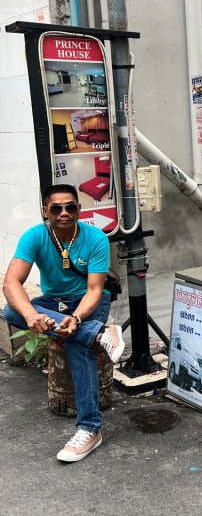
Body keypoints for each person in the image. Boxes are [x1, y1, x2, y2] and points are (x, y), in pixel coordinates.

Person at [2, 184, 125, 462]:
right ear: (45, 211)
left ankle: (90, 428)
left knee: (76, 344)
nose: (64, 212)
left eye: (70, 206)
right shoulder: (35, 236)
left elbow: (95, 289)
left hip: (88, 301)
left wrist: (77, 318)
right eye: (56, 208)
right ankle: (100, 333)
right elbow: (11, 283)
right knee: (12, 311)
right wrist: (32, 315)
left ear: (79, 209)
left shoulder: (95, 237)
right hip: (54, 302)